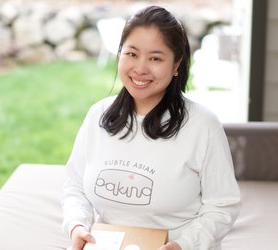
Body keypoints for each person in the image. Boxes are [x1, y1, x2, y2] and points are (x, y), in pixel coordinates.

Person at [62, 5, 241, 250]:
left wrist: (182, 245)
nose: (140, 68)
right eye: (132, 54)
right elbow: (74, 186)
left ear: (177, 64)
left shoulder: (203, 126)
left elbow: (223, 205)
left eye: (155, 58)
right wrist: (77, 225)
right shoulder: (98, 116)